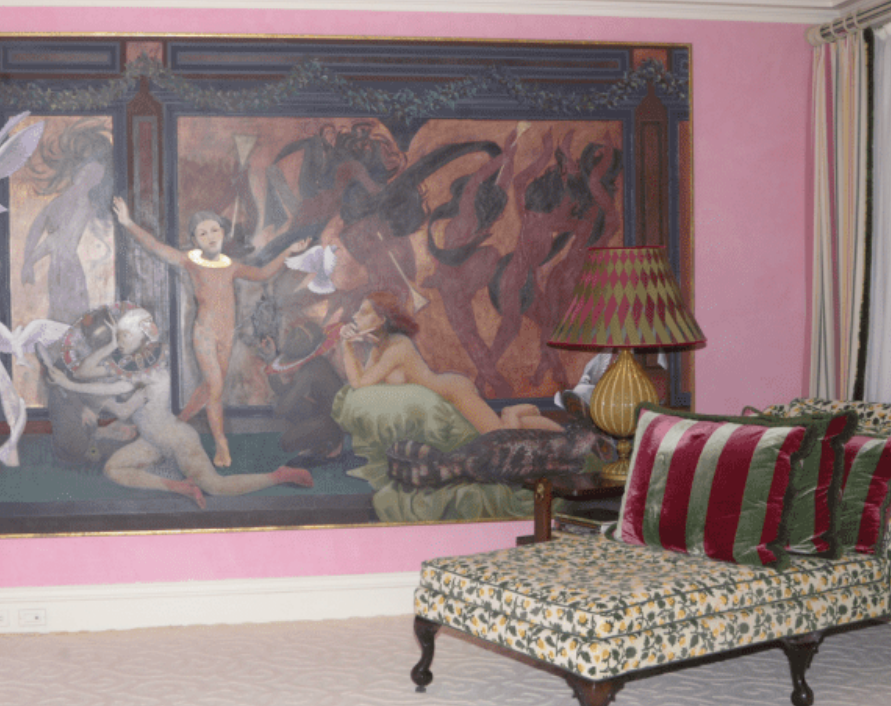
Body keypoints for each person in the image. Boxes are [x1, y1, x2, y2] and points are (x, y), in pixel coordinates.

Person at [42, 306, 314, 509]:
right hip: (153, 442)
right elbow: (86, 371)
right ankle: (177, 486)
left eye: (124, 335)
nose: (120, 340)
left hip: (178, 442)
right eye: (119, 335)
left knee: (216, 487)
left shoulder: (149, 372)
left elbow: (113, 398)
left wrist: (69, 384)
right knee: (113, 470)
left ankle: (278, 476)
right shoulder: (129, 364)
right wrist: (112, 342)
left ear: (140, 337)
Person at [112, 197, 310, 468]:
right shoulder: (191, 262)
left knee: (209, 388)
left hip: (226, 336)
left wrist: (288, 251)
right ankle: (221, 443)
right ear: (195, 240)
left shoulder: (232, 266)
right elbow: (157, 248)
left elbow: (264, 273)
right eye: (203, 233)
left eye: (214, 230)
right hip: (204, 333)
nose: (210, 236)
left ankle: (178, 423)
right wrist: (127, 222)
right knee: (215, 387)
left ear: (223, 233)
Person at [337, 291, 561, 434]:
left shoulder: (398, 348)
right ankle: (549, 429)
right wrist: (353, 348)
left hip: (453, 392)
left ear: (381, 319)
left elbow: (359, 384)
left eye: (363, 312)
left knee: (502, 437)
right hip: (443, 405)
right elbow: (365, 383)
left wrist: (346, 346)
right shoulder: (381, 346)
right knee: (494, 434)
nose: (355, 316)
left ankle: (513, 412)